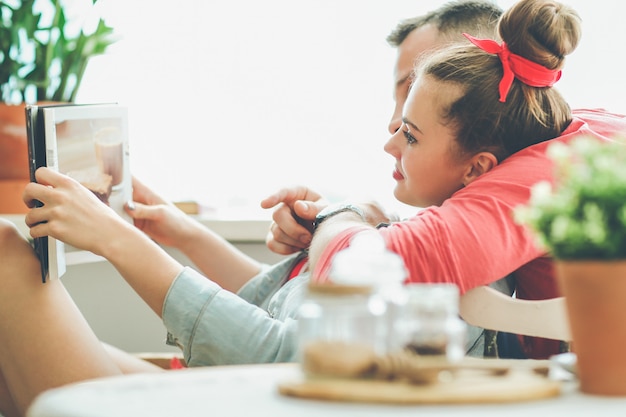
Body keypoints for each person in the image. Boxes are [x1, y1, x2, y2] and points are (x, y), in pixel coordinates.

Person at [2, 1, 598, 415]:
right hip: (218, 385)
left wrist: (119, 242)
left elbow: (279, 358)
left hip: (239, 394)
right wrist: (178, 233)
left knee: (7, 254)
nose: (391, 130)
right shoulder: (412, 218)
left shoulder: (447, 255)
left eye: (411, 118)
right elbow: (277, 321)